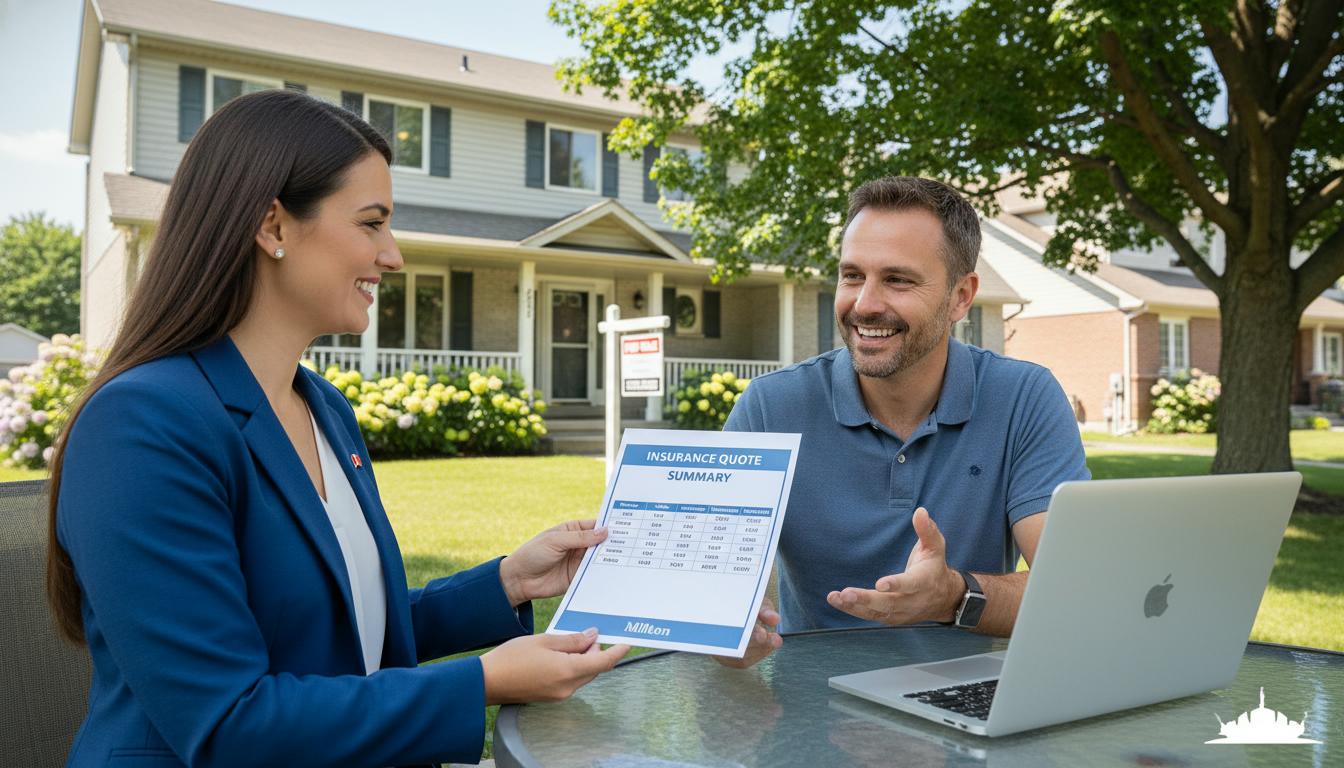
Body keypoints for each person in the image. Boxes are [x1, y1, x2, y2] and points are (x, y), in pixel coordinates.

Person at [47, 89, 629, 768]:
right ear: (273, 227)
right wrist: (485, 681)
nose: (394, 256)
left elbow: (341, 631)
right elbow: (229, 723)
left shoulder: (323, 407)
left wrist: (506, 583)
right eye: (371, 223)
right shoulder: (142, 426)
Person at [718, 176, 1089, 668]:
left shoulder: (1024, 397)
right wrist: (728, 638)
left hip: (966, 703)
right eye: (852, 276)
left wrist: (954, 596)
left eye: (898, 280)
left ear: (961, 297)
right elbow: (709, 588)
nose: (865, 303)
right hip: (811, 711)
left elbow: (1074, 590)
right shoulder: (770, 407)